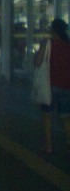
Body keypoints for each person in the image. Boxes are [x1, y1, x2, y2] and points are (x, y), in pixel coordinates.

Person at [35, 18, 70, 154]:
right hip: (67, 86)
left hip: (49, 86)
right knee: (66, 117)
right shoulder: (68, 45)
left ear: (53, 30)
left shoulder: (48, 44)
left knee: (47, 117)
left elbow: (37, 62)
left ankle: (49, 147)